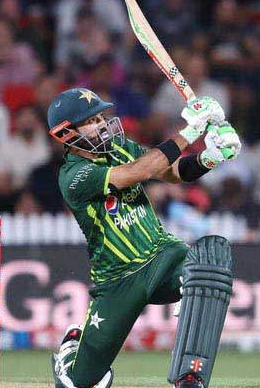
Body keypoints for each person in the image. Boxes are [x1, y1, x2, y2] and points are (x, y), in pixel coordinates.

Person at [47, 88, 241, 388]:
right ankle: (72, 351)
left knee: (209, 267)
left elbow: (171, 171)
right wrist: (190, 130)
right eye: (90, 121)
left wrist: (210, 157)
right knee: (79, 383)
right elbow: (138, 172)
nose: (101, 124)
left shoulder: (120, 147)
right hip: (119, 279)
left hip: (164, 255)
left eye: (101, 116)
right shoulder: (74, 176)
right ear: (66, 134)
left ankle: (190, 375)